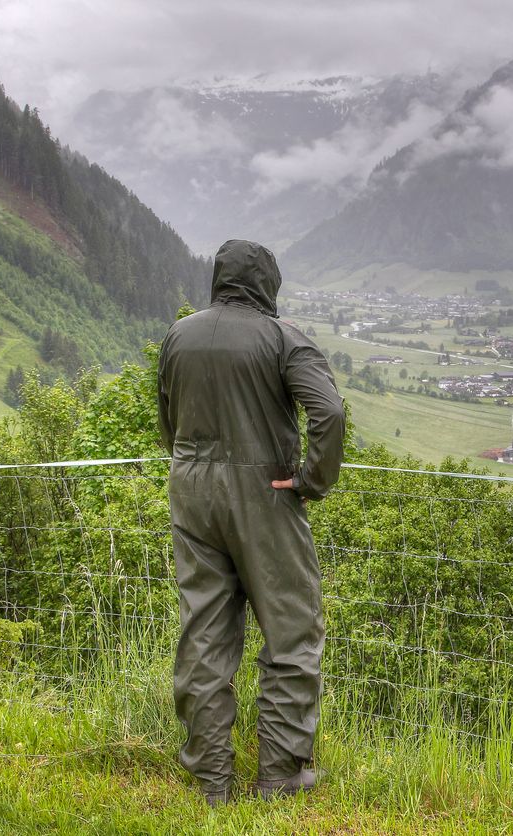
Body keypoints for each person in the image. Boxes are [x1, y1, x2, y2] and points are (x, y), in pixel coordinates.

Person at [157, 239, 345, 805]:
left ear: (219, 279)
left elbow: (166, 417)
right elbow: (329, 412)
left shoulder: (179, 335)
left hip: (190, 489)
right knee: (290, 629)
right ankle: (280, 774)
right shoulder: (283, 337)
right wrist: (311, 481)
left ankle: (212, 779)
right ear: (267, 284)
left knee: (204, 633)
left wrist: (191, 466)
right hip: (264, 493)